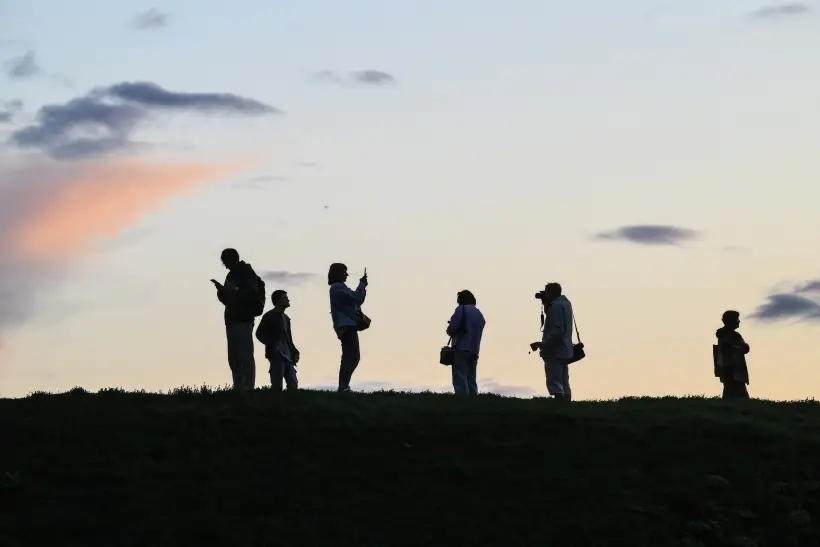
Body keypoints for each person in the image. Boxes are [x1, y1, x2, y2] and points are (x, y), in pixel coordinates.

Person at [211, 248, 264, 391]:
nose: (225, 265)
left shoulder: (246, 273)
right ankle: (239, 386)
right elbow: (229, 300)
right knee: (234, 356)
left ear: (231, 259)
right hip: (232, 320)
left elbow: (251, 296)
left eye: (225, 262)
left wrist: (234, 290)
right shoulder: (232, 274)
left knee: (245, 354)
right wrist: (222, 292)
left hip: (243, 319)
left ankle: (248, 387)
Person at [530, 282, 574, 401]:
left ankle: (559, 403)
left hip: (555, 350)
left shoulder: (556, 306)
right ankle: (567, 404)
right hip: (565, 348)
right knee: (564, 380)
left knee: (554, 380)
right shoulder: (566, 304)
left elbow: (557, 330)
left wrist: (543, 344)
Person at [328, 263, 367, 392]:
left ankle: (343, 386)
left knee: (349, 356)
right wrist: (362, 285)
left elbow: (357, 299)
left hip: (346, 326)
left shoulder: (338, 287)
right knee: (352, 357)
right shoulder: (337, 287)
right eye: (344, 272)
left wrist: (362, 286)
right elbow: (357, 298)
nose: (347, 274)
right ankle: (343, 386)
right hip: (347, 326)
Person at [255, 290, 300, 392]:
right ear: (278, 300)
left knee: (293, 382)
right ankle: (276, 404)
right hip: (276, 354)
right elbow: (259, 333)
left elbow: (288, 338)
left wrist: (294, 350)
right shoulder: (269, 316)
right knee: (277, 383)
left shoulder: (286, 319)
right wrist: (272, 344)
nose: (288, 299)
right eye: (285, 298)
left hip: (287, 355)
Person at [446, 290, 486, 395]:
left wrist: (451, 329)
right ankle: (473, 398)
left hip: (461, 346)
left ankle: (461, 398)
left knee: (459, 374)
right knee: (471, 376)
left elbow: (452, 328)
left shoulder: (461, 310)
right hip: (475, 348)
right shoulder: (479, 314)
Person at [714, 310, 750, 400]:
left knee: (731, 391)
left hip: (730, 368)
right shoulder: (731, 335)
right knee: (736, 392)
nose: (739, 321)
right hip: (732, 368)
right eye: (737, 319)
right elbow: (743, 347)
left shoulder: (728, 335)